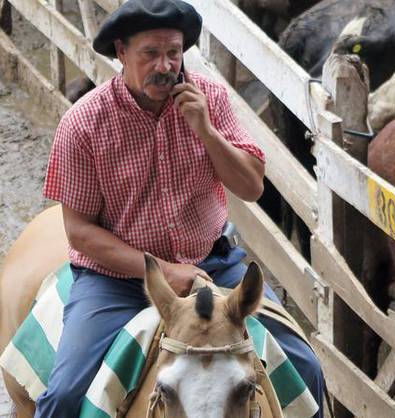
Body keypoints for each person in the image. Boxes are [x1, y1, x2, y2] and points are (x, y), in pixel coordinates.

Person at [37, 0, 324, 416]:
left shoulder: (209, 98)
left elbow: (251, 186)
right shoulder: (84, 123)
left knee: (306, 367)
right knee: (64, 394)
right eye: (150, 54)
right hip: (116, 281)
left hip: (214, 266)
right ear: (121, 52)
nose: (165, 65)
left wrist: (205, 131)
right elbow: (79, 232)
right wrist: (164, 270)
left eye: (173, 52)